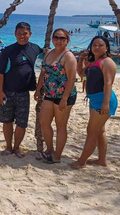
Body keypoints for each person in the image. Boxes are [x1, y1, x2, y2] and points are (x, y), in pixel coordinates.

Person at [70, 36, 118, 169]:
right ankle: (101, 160)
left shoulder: (107, 62)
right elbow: (81, 74)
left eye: (100, 45)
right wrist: (80, 60)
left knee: (91, 131)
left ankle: (81, 162)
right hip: (94, 100)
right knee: (99, 131)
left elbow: (108, 83)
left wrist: (105, 104)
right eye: (94, 45)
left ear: (106, 47)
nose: (97, 47)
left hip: (103, 100)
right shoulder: (93, 62)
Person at [0, 22, 43, 158]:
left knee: (22, 123)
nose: (22, 36)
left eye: (25, 34)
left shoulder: (35, 49)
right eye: (19, 34)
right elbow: (0, 73)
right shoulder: (8, 51)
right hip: (7, 91)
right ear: (15, 34)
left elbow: (48, 61)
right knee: (7, 121)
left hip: (24, 92)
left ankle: (17, 148)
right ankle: (8, 147)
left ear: (30, 34)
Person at [34, 28, 77, 163]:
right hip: (49, 94)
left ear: (67, 40)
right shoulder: (49, 53)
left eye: (62, 38)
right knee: (44, 122)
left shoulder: (68, 56)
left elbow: (71, 79)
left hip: (64, 96)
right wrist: (38, 89)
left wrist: (64, 98)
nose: (58, 41)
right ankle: (50, 149)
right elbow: (43, 72)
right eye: (56, 38)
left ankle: (57, 155)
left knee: (60, 126)